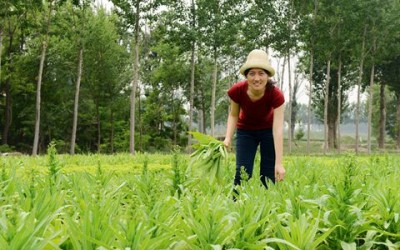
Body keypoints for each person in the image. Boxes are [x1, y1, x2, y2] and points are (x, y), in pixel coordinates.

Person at [223, 49, 285, 190]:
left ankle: (268, 206)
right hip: (246, 131)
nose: (257, 78)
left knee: (268, 175)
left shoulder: (276, 95)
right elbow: (233, 115)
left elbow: (278, 129)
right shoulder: (237, 90)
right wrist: (228, 138)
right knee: (242, 172)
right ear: (246, 75)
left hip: (268, 131)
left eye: (261, 73)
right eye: (252, 73)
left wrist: (279, 163)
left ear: (268, 76)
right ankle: (236, 205)